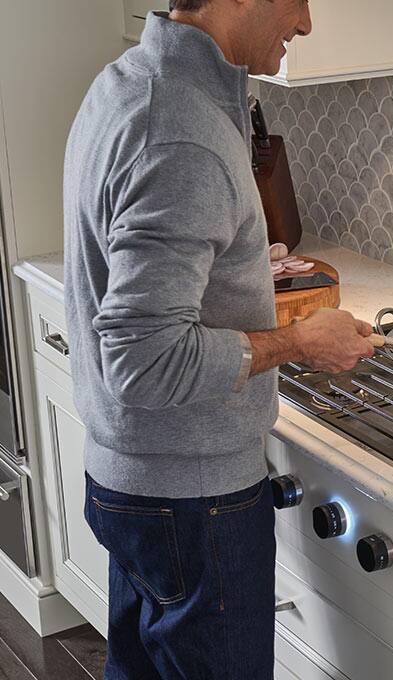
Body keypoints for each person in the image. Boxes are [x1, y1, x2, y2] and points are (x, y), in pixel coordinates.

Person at [62, 1, 373, 677]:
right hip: (189, 500)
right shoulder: (184, 135)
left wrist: (230, 266)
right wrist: (298, 343)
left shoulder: (130, 82)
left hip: (136, 484)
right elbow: (142, 360)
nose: (306, 23)